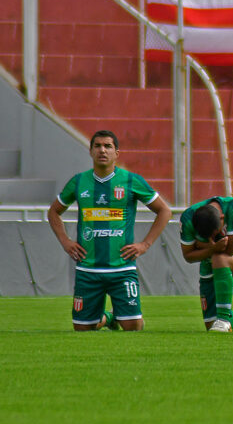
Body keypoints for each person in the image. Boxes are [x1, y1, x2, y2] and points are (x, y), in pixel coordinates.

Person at [47, 130, 172, 331]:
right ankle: (109, 318)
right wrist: (66, 241)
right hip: (88, 268)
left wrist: (145, 244)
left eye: (108, 146)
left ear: (117, 153)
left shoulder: (131, 181)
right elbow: (54, 211)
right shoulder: (79, 182)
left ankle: (116, 317)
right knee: (82, 329)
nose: (102, 150)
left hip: (122, 268)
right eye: (97, 146)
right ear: (90, 152)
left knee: (132, 326)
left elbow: (164, 211)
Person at [180, 195, 233, 332]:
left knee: (219, 257)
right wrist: (213, 248)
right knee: (211, 326)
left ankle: (223, 319)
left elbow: (230, 250)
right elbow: (188, 256)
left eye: (215, 234)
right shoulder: (187, 219)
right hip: (208, 267)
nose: (212, 239)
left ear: (222, 218)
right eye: (207, 237)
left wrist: (202, 245)